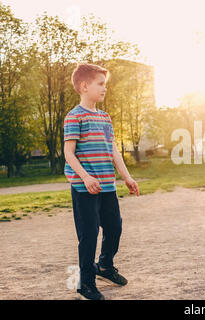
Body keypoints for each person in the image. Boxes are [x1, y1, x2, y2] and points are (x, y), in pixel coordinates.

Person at [64, 63, 140, 300]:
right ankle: (85, 284)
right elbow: (68, 153)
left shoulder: (105, 118)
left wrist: (126, 177)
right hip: (85, 188)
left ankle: (105, 266)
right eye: (100, 84)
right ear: (84, 86)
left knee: (115, 228)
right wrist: (85, 177)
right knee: (88, 235)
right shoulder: (74, 117)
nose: (104, 89)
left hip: (107, 186)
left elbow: (113, 150)